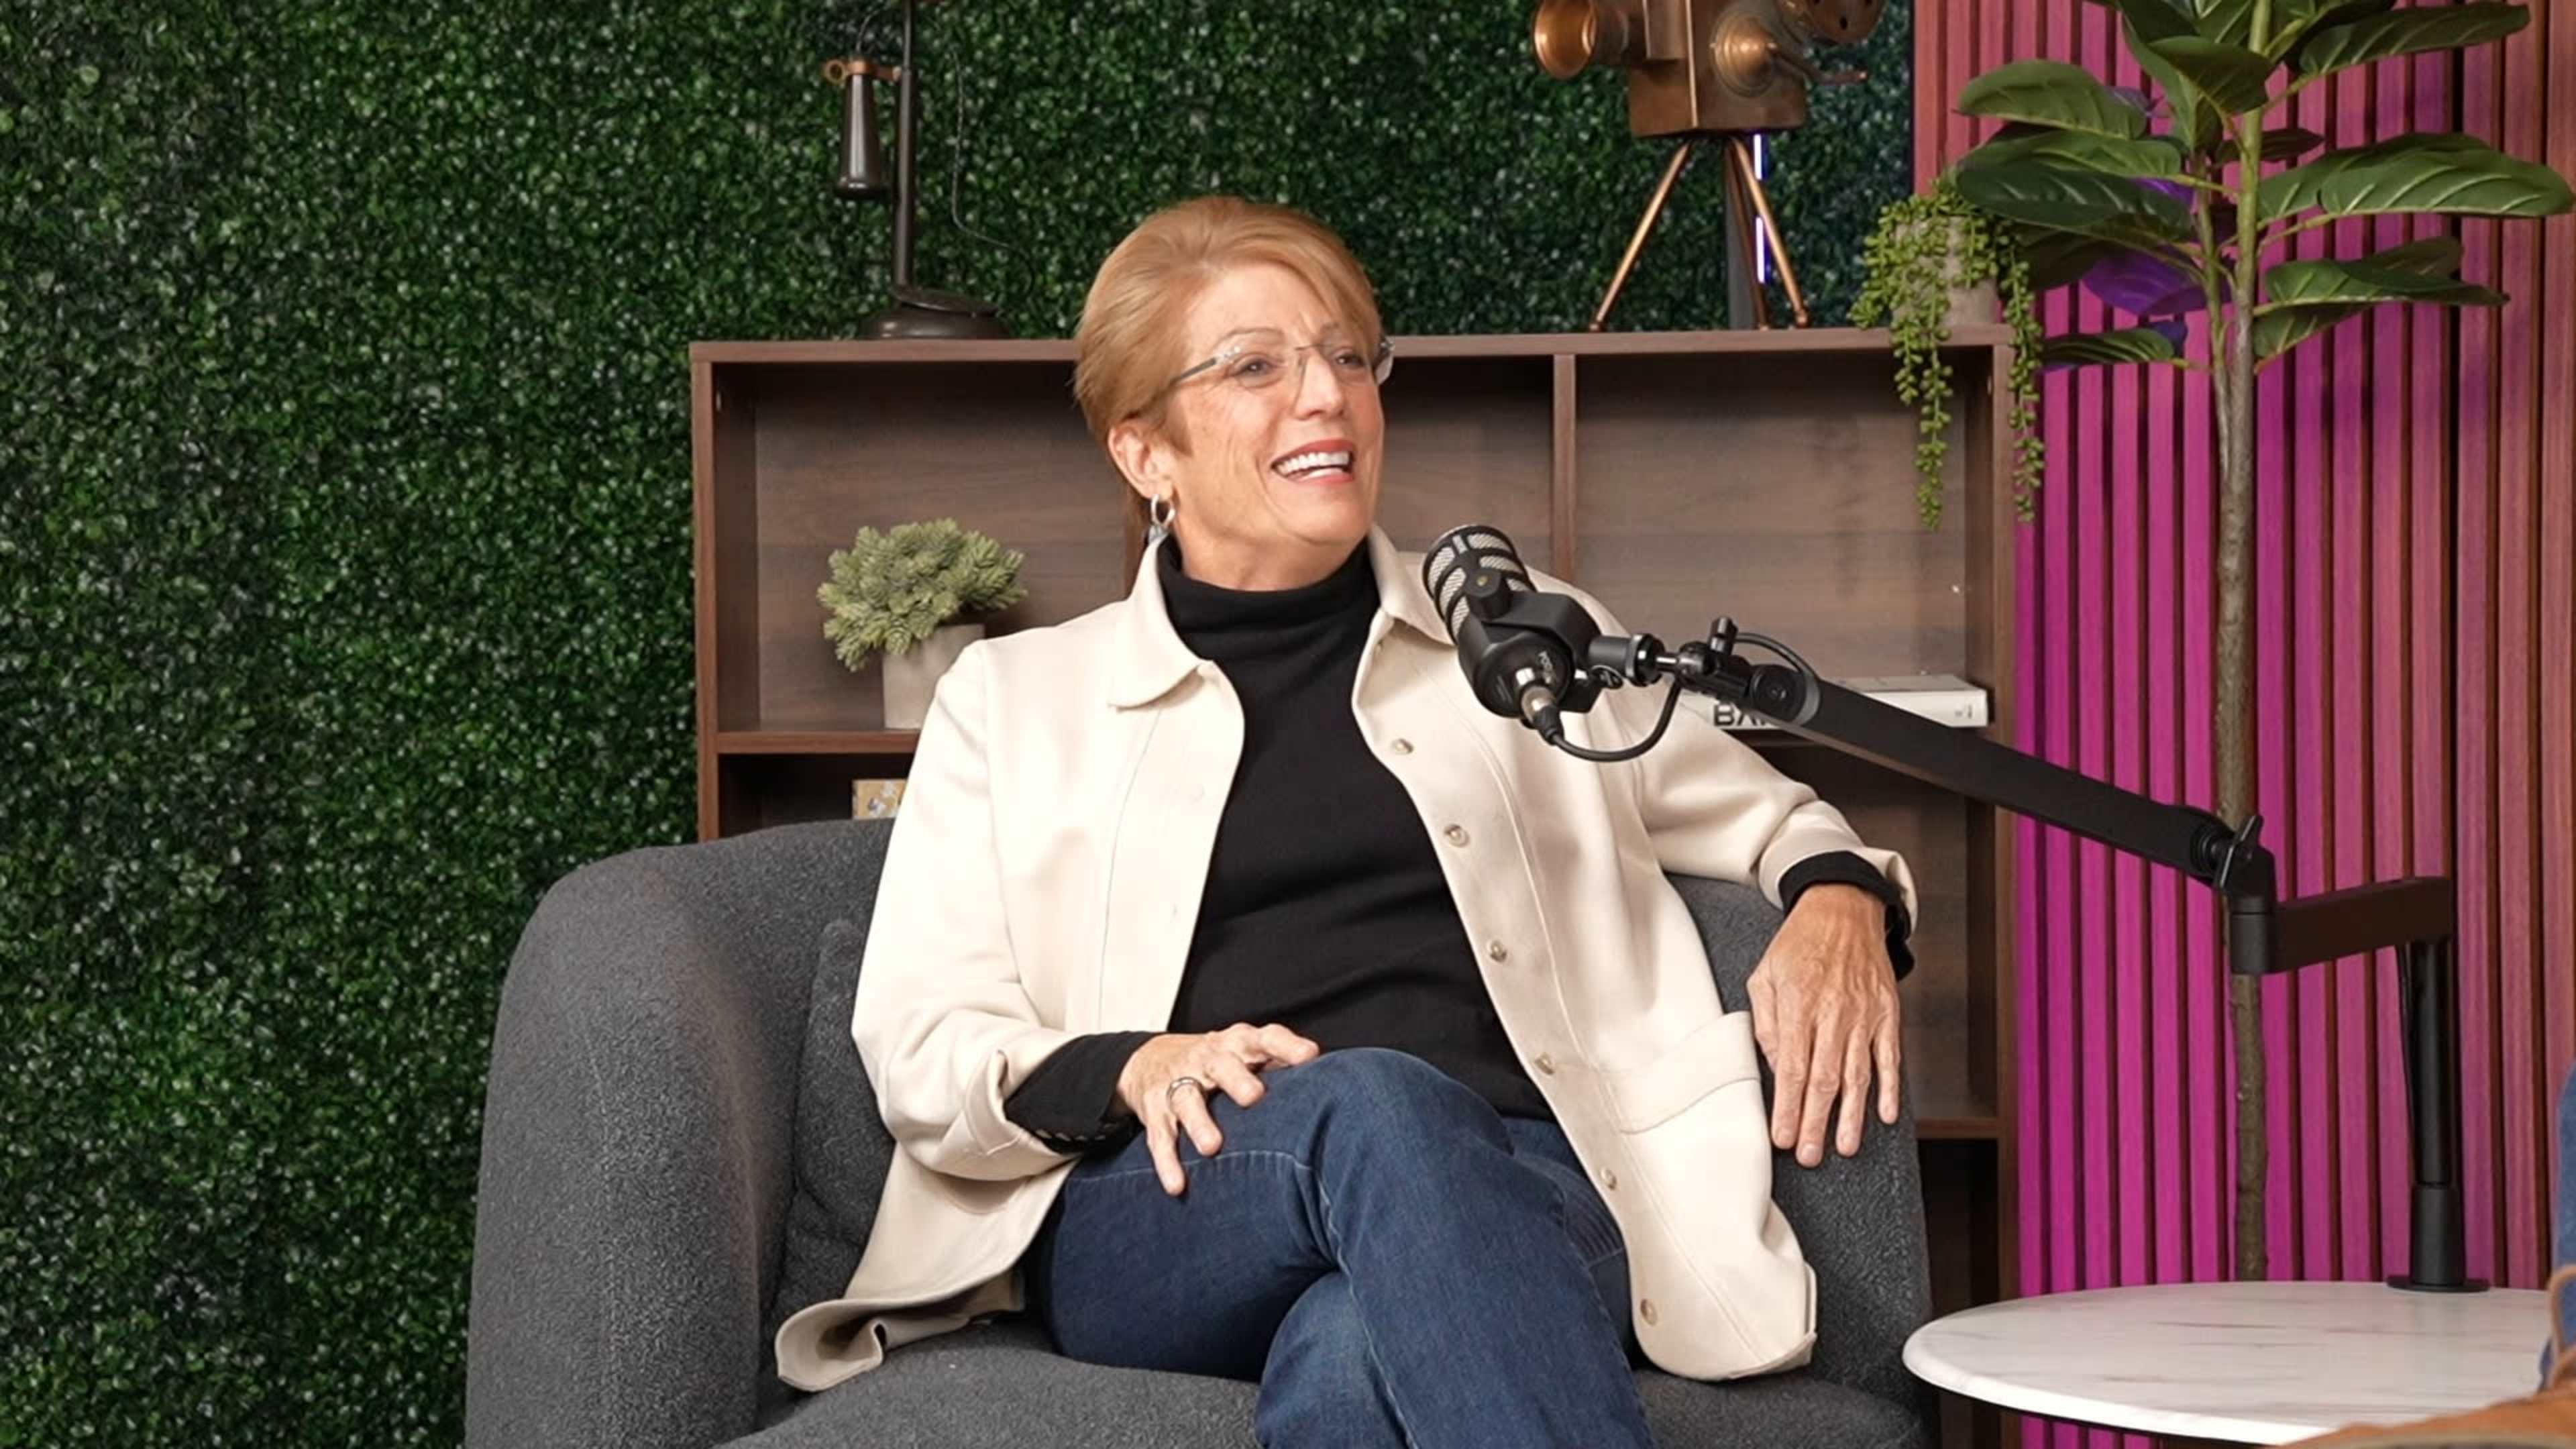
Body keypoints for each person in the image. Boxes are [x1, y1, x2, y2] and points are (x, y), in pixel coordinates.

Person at [775, 196, 1918, 1448]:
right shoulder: (1014, 702)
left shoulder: (1524, 646)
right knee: (1378, 1106)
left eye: (1346, 355)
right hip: (1165, 1199)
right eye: (1255, 367)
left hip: (1531, 1187)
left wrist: (1839, 901)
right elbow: (920, 1039)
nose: (1324, 396)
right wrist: (1137, 1064)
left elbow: (1772, 816)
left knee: (1349, 1352)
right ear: (1143, 451)